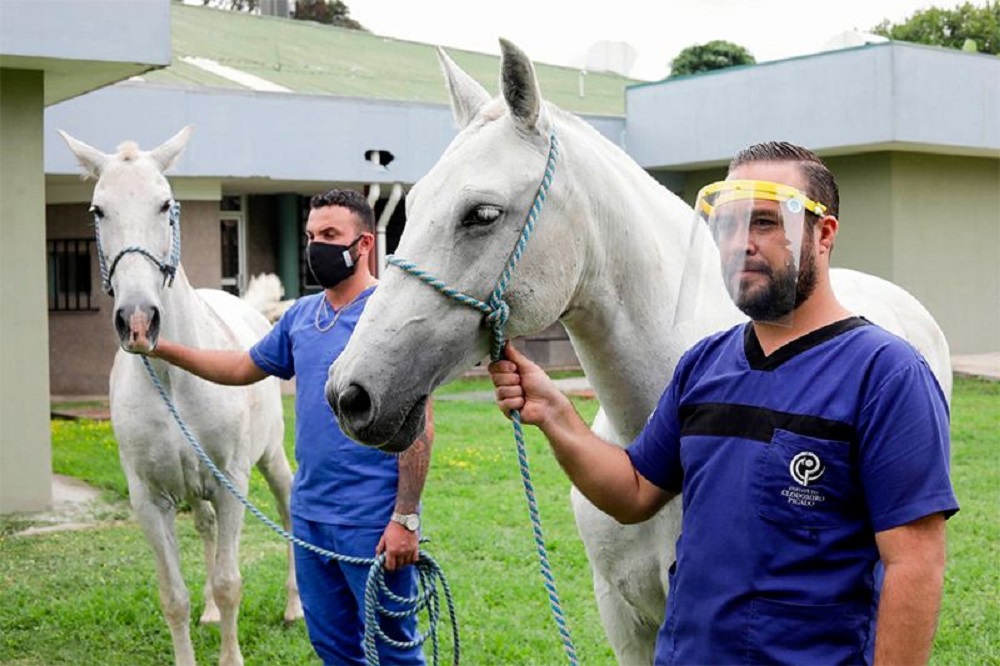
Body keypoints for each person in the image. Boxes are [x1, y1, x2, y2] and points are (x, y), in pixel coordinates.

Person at [490, 142, 959, 665]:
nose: (741, 244)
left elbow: (913, 564)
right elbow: (634, 491)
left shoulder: (886, 374)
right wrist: (555, 413)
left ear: (824, 234)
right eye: (728, 225)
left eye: (765, 222)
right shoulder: (704, 365)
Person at [143, 189, 431, 666]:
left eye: (330, 235)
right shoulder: (301, 316)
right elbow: (241, 367)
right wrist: (161, 349)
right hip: (310, 515)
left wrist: (405, 518)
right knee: (333, 647)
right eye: (311, 236)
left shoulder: (393, 315)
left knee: (393, 650)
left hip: (372, 520)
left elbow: (420, 429)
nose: (317, 246)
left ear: (364, 244)